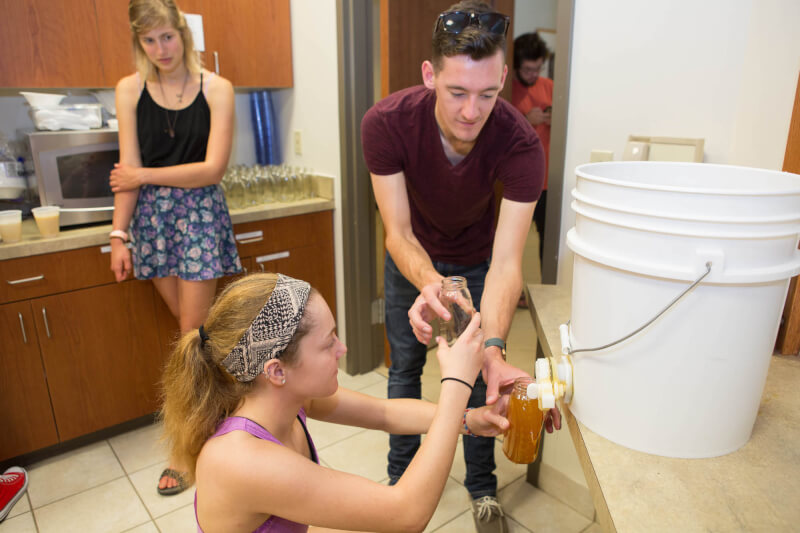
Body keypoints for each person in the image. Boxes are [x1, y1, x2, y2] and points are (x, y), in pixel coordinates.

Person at [361, 2, 561, 532]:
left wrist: (493, 346)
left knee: (479, 379)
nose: (472, 111)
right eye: (456, 92)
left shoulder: (519, 142)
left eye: (488, 94)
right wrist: (431, 286)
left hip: (477, 259)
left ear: (501, 80)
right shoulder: (386, 124)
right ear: (430, 76)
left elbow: (506, 262)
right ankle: (398, 484)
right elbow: (397, 233)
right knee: (404, 371)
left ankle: (482, 489)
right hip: (412, 261)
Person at [160, 272, 509, 533]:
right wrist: (457, 383)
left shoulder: (286, 401)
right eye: (329, 343)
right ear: (277, 370)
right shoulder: (239, 460)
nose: (342, 349)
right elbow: (406, 513)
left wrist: (469, 419)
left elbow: (386, 413)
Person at [109, 0, 241, 496]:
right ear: (138, 42)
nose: (160, 49)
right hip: (152, 223)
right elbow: (126, 172)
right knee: (197, 337)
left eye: (167, 36)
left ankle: (187, 450)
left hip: (201, 215)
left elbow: (212, 170)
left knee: (191, 334)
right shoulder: (129, 90)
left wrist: (143, 175)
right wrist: (118, 235)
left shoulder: (217, 89)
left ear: (182, 34)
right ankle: (225, 414)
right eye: (149, 40)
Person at [511, 32, 553, 262]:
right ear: (516, 66)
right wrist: (526, 120)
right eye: (528, 70)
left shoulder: (551, 87)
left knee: (547, 240)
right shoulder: (507, 89)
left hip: (546, 181)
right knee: (512, 240)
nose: (534, 74)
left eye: (538, 68)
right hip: (515, 179)